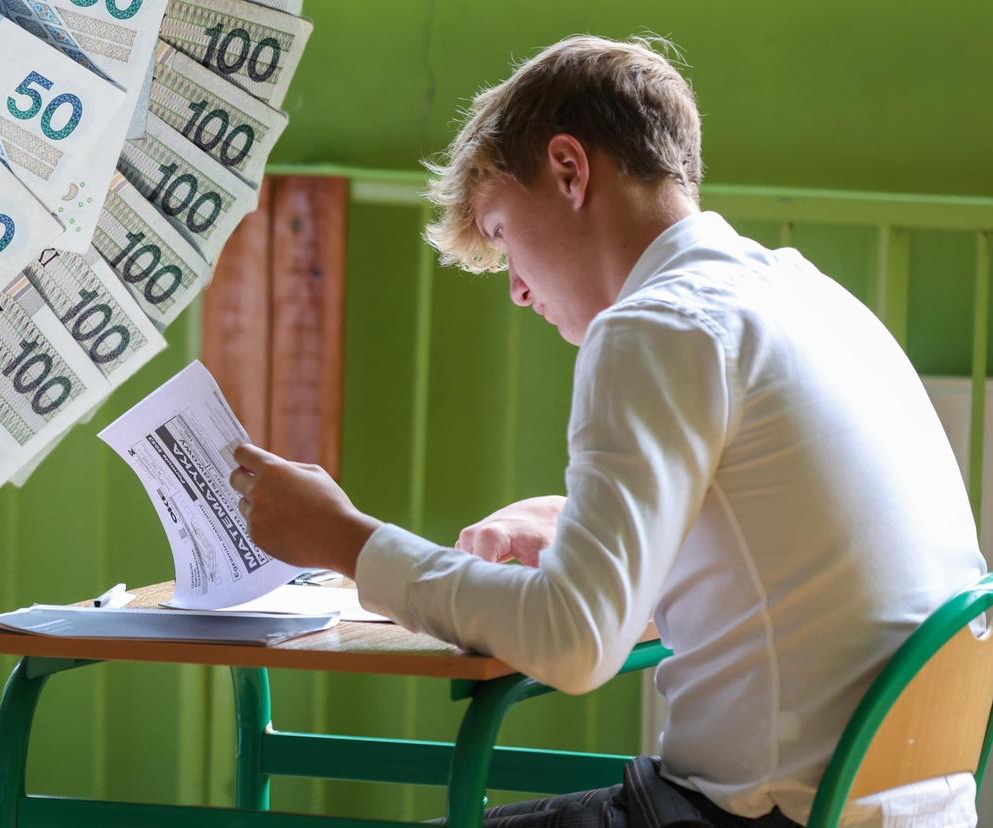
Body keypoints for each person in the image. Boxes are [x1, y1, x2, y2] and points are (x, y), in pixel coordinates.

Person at [229, 34, 985, 827]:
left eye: (500, 234)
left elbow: (576, 640)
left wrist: (345, 541)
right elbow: (788, 543)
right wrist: (572, 519)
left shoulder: (656, 326)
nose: (517, 290)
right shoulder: (809, 296)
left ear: (568, 169)